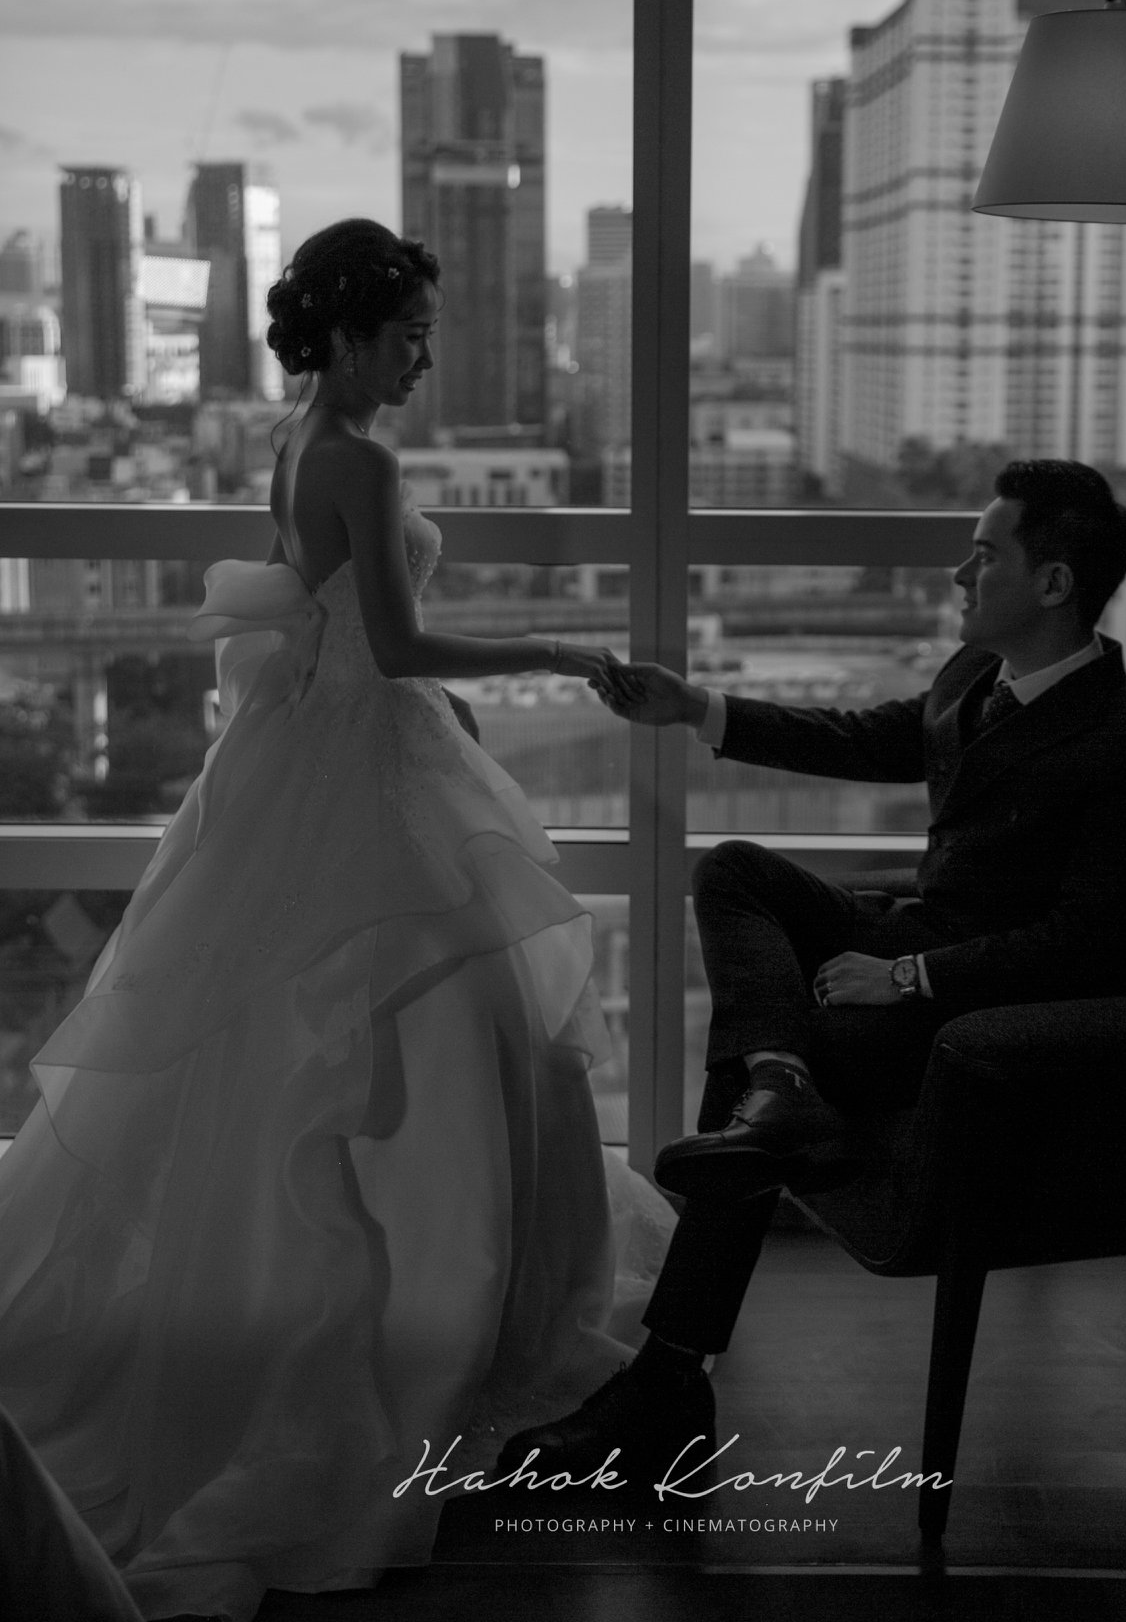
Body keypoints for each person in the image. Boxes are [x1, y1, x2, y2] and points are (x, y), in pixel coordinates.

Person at [0, 219, 672, 1621]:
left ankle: (377, 1297)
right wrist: (556, 649)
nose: (426, 354)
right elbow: (399, 640)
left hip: (326, 748)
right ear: (354, 330)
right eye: (412, 330)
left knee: (329, 1037)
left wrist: (422, 698)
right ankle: (440, 1321)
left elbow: (319, 622)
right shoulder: (357, 457)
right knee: (450, 1028)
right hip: (367, 761)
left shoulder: (298, 435)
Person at [497, 459, 1126, 1485]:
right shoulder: (974, 675)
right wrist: (693, 706)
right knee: (734, 871)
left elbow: (1082, 943)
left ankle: (670, 1371)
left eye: (984, 554)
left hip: (983, 1006)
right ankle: (777, 1088)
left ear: (1053, 583)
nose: (958, 574)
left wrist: (907, 976)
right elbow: (862, 738)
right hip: (911, 936)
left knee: (767, 1058)